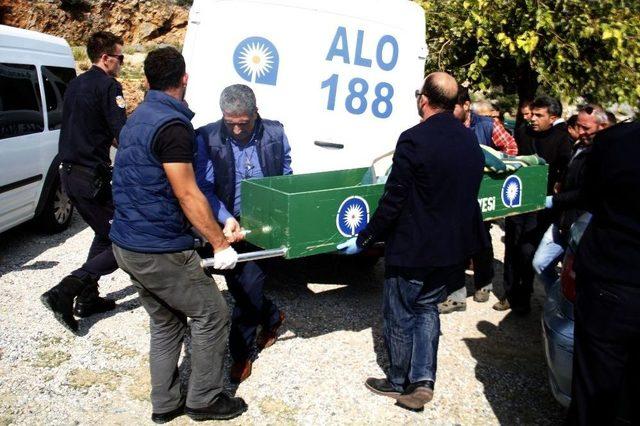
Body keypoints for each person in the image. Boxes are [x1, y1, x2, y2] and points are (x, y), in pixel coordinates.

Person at [109, 47, 247, 423]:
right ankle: (204, 400)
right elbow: (187, 192)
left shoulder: (137, 118)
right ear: (184, 79)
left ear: (147, 82)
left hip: (126, 244)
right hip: (158, 249)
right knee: (213, 314)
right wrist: (220, 244)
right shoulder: (172, 126)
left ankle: (165, 403)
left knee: (167, 321)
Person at [337, 73, 487, 411]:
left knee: (400, 312)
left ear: (423, 100)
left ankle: (398, 380)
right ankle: (423, 381)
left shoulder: (413, 139)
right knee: (427, 308)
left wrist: (366, 237)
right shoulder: (469, 141)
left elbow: (395, 199)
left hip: (413, 248)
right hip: (451, 250)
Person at [195, 84, 291, 384]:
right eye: (230, 123)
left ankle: (240, 353)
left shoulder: (275, 134)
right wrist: (224, 219)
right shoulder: (207, 137)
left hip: (262, 224)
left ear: (255, 112)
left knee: (247, 287)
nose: (236, 130)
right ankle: (273, 318)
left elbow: (285, 174)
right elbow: (204, 188)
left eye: (243, 123)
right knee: (239, 283)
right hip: (225, 224)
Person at [40, 31, 127, 333]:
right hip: (92, 176)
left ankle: (87, 297)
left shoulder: (75, 85)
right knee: (124, 237)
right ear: (106, 58)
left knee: (105, 230)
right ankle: (64, 290)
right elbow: (121, 135)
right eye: (120, 57)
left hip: (69, 173)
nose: (122, 64)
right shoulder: (108, 87)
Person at [568, 121, 640, 425]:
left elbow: (591, 198)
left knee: (594, 394)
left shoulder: (619, 140)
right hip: (613, 280)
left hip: (614, 279)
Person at [439, 87, 518, 314]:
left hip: (481, 195)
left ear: (465, 106)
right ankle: (456, 296)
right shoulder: (447, 126)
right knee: (453, 242)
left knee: (481, 241)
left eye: (452, 106)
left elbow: (511, 149)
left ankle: (484, 283)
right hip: (455, 195)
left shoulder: (488, 125)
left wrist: (490, 168)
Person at [495, 95, 571, 313]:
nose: (533, 119)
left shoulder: (562, 139)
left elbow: (565, 171)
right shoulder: (523, 132)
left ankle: (523, 296)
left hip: (540, 207)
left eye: (539, 115)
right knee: (512, 247)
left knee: (528, 251)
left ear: (553, 117)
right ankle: (509, 295)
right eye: (533, 114)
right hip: (516, 200)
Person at [532, 105, 608, 290]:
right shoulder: (579, 146)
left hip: (581, 224)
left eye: (586, 128)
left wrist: (554, 200)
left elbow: (586, 192)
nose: (581, 132)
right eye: (579, 126)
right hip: (562, 219)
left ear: (602, 127)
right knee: (540, 263)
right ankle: (556, 295)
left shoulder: (604, 154)